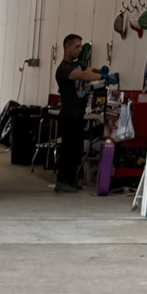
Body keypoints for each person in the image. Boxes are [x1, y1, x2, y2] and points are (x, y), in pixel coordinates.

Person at [53, 34, 100, 192]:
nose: (80, 49)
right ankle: (62, 181)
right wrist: (104, 77)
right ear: (67, 47)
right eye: (77, 46)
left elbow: (88, 69)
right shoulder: (64, 69)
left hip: (79, 114)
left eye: (81, 46)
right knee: (68, 149)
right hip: (68, 115)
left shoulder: (77, 64)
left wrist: (101, 70)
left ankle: (72, 179)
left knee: (77, 149)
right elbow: (84, 75)